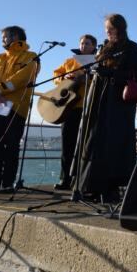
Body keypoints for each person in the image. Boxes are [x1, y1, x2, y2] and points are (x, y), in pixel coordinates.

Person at [77, 14, 137, 202]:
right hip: (100, 99)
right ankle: (91, 187)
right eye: (106, 28)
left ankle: (110, 189)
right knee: (95, 141)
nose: (107, 31)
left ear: (120, 28)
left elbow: (136, 73)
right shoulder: (105, 48)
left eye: (110, 28)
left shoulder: (132, 48)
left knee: (114, 144)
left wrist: (111, 73)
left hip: (118, 104)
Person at [0, 26, 38, 194]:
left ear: (16, 36)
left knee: (12, 146)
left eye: (5, 37)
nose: (3, 40)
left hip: (16, 106)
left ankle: (7, 183)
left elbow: (22, 78)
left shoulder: (31, 57)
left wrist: (0, 90)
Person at [51, 33, 98, 191]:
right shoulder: (69, 61)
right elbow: (56, 75)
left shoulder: (98, 61)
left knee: (85, 145)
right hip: (69, 107)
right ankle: (65, 178)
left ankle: (81, 180)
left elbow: (99, 80)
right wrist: (66, 77)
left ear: (94, 46)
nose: (84, 46)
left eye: (87, 43)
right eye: (82, 43)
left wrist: (88, 79)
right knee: (67, 143)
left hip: (87, 107)